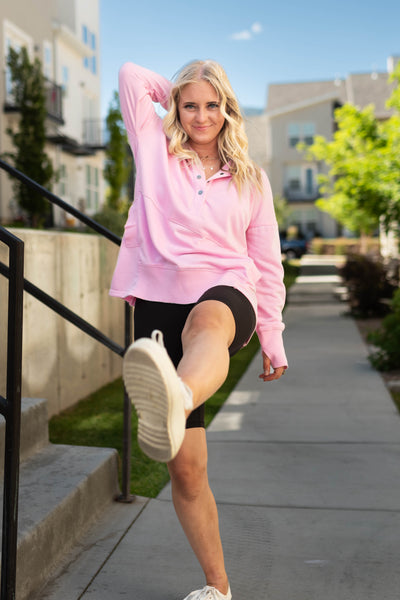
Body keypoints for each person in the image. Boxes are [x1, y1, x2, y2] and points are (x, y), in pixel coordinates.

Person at [109, 59, 288, 600]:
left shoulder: (252, 180)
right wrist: (177, 85)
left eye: (213, 104)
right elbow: (128, 75)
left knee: (207, 323)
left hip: (227, 291)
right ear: (177, 109)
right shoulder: (153, 148)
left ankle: (176, 395)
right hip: (161, 297)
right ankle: (219, 589)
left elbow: (268, 264)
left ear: (228, 108)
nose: (202, 115)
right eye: (190, 104)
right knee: (187, 472)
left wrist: (273, 335)